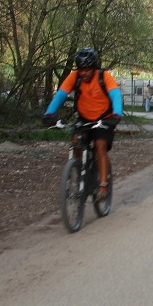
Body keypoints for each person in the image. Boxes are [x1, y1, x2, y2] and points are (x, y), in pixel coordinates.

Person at [42, 48, 122, 200]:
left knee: (100, 145)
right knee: (76, 143)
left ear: (94, 68)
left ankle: (103, 186)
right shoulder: (75, 77)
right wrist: (49, 113)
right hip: (84, 119)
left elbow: (115, 95)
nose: (84, 73)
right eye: (81, 70)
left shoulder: (104, 77)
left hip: (105, 119)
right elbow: (61, 95)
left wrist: (117, 114)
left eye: (87, 70)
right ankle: (81, 175)